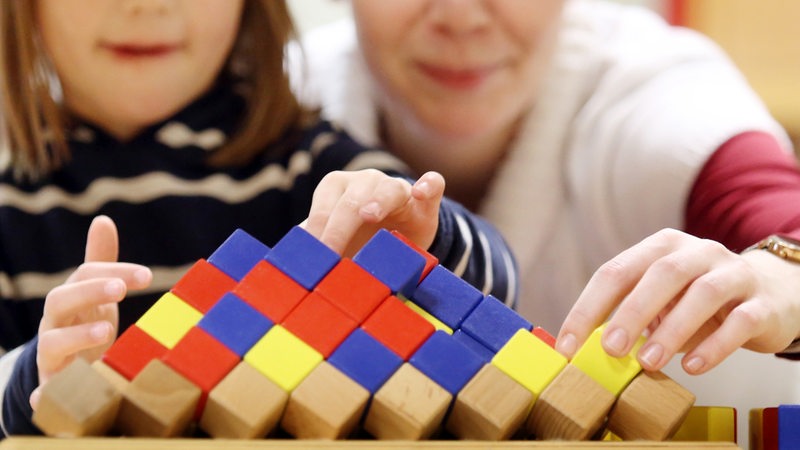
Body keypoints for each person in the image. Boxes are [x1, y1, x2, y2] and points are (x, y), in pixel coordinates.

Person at [0, 0, 518, 437]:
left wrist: (426, 241)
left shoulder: (312, 166)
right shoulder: (9, 207)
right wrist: (43, 383)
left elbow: (499, 291)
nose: (147, 7)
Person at [295, 0, 800, 437]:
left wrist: (782, 274)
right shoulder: (276, 104)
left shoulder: (658, 93)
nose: (461, 17)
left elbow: (774, 206)